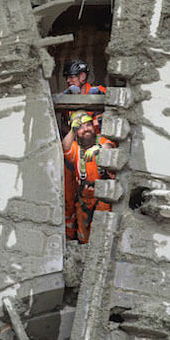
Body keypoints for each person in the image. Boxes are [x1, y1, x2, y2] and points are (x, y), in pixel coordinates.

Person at [61, 60, 106, 237]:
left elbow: (108, 95)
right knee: (69, 195)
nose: (69, 81)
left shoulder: (96, 91)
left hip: (96, 148)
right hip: (75, 150)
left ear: (82, 76)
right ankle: (70, 235)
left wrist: (94, 96)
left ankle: (96, 236)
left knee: (100, 198)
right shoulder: (68, 96)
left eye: (72, 77)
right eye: (67, 78)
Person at [63, 110, 114, 244]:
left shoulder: (101, 141)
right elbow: (65, 147)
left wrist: (98, 148)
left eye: (88, 125)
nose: (86, 129)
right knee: (83, 238)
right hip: (83, 200)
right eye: (81, 127)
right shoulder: (76, 148)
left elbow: (109, 146)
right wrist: (72, 131)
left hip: (102, 198)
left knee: (101, 236)